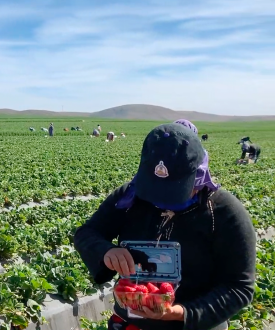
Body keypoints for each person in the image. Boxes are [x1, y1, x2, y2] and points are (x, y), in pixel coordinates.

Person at [74, 123, 256, 330]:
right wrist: (106, 252)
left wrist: (182, 313)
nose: (160, 199)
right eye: (154, 189)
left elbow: (239, 287)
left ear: (198, 175)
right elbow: (86, 233)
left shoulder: (224, 212)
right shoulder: (129, 197)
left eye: (174, 191)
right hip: (130, 322)